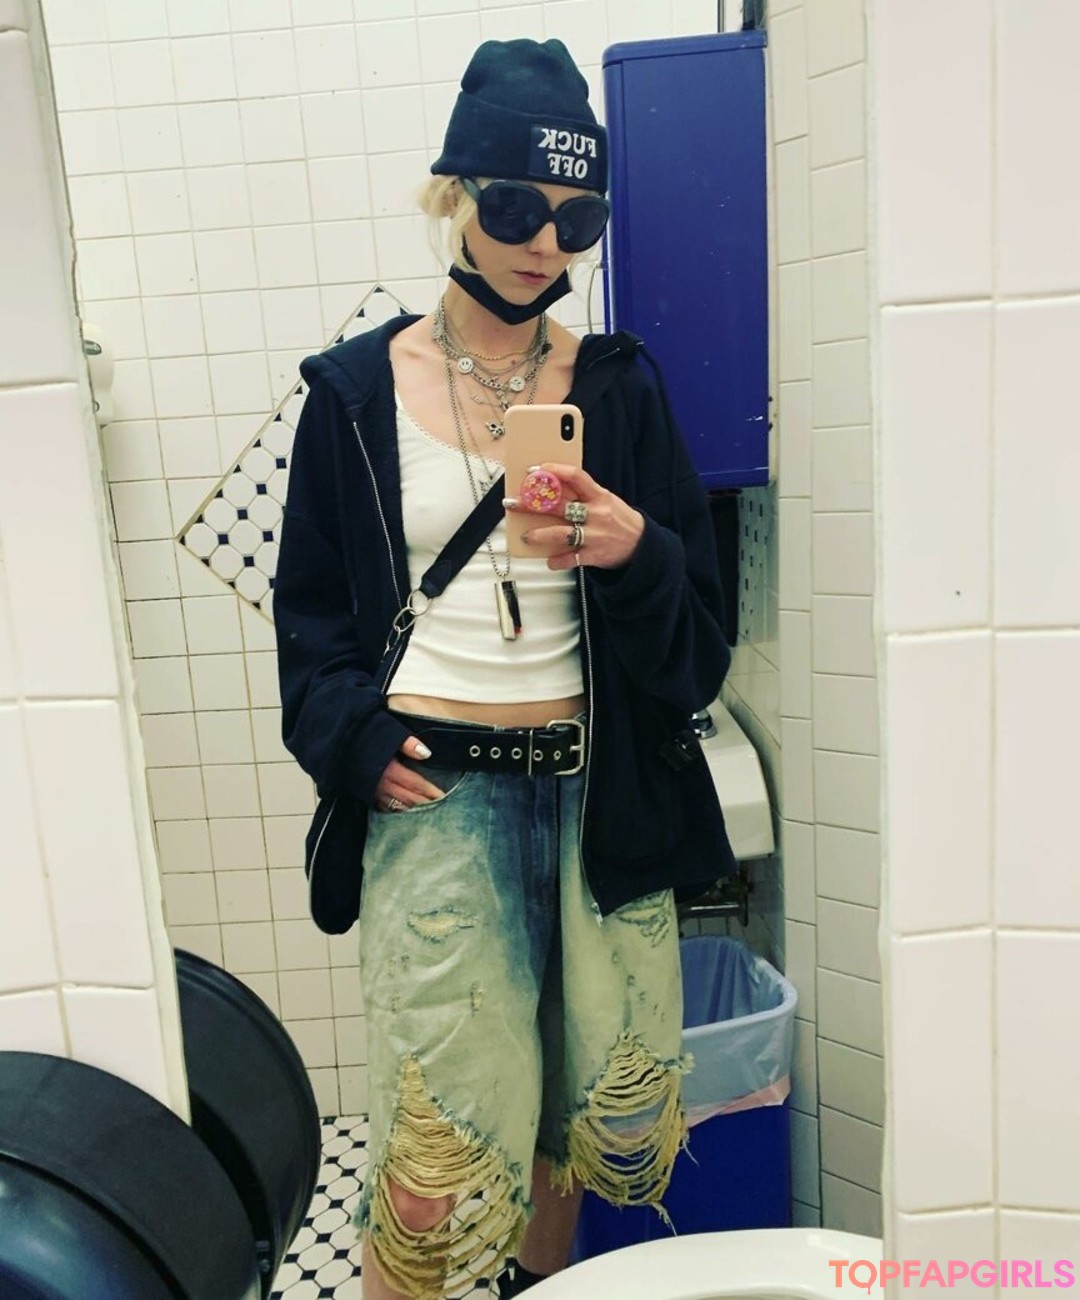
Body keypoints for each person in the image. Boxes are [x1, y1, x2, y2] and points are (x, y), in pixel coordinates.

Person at [274, 37, 736, 1300]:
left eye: (576, 218)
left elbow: (698, 643)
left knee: (567, 1130)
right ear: (457, 196)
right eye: (518, 205)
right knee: (432, 1158)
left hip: (598, 800)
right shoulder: (356, 392)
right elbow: (308, 615)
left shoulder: (618, 389)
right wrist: (354, 739)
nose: (544, 243)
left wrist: (636, 551)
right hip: (439, 802)